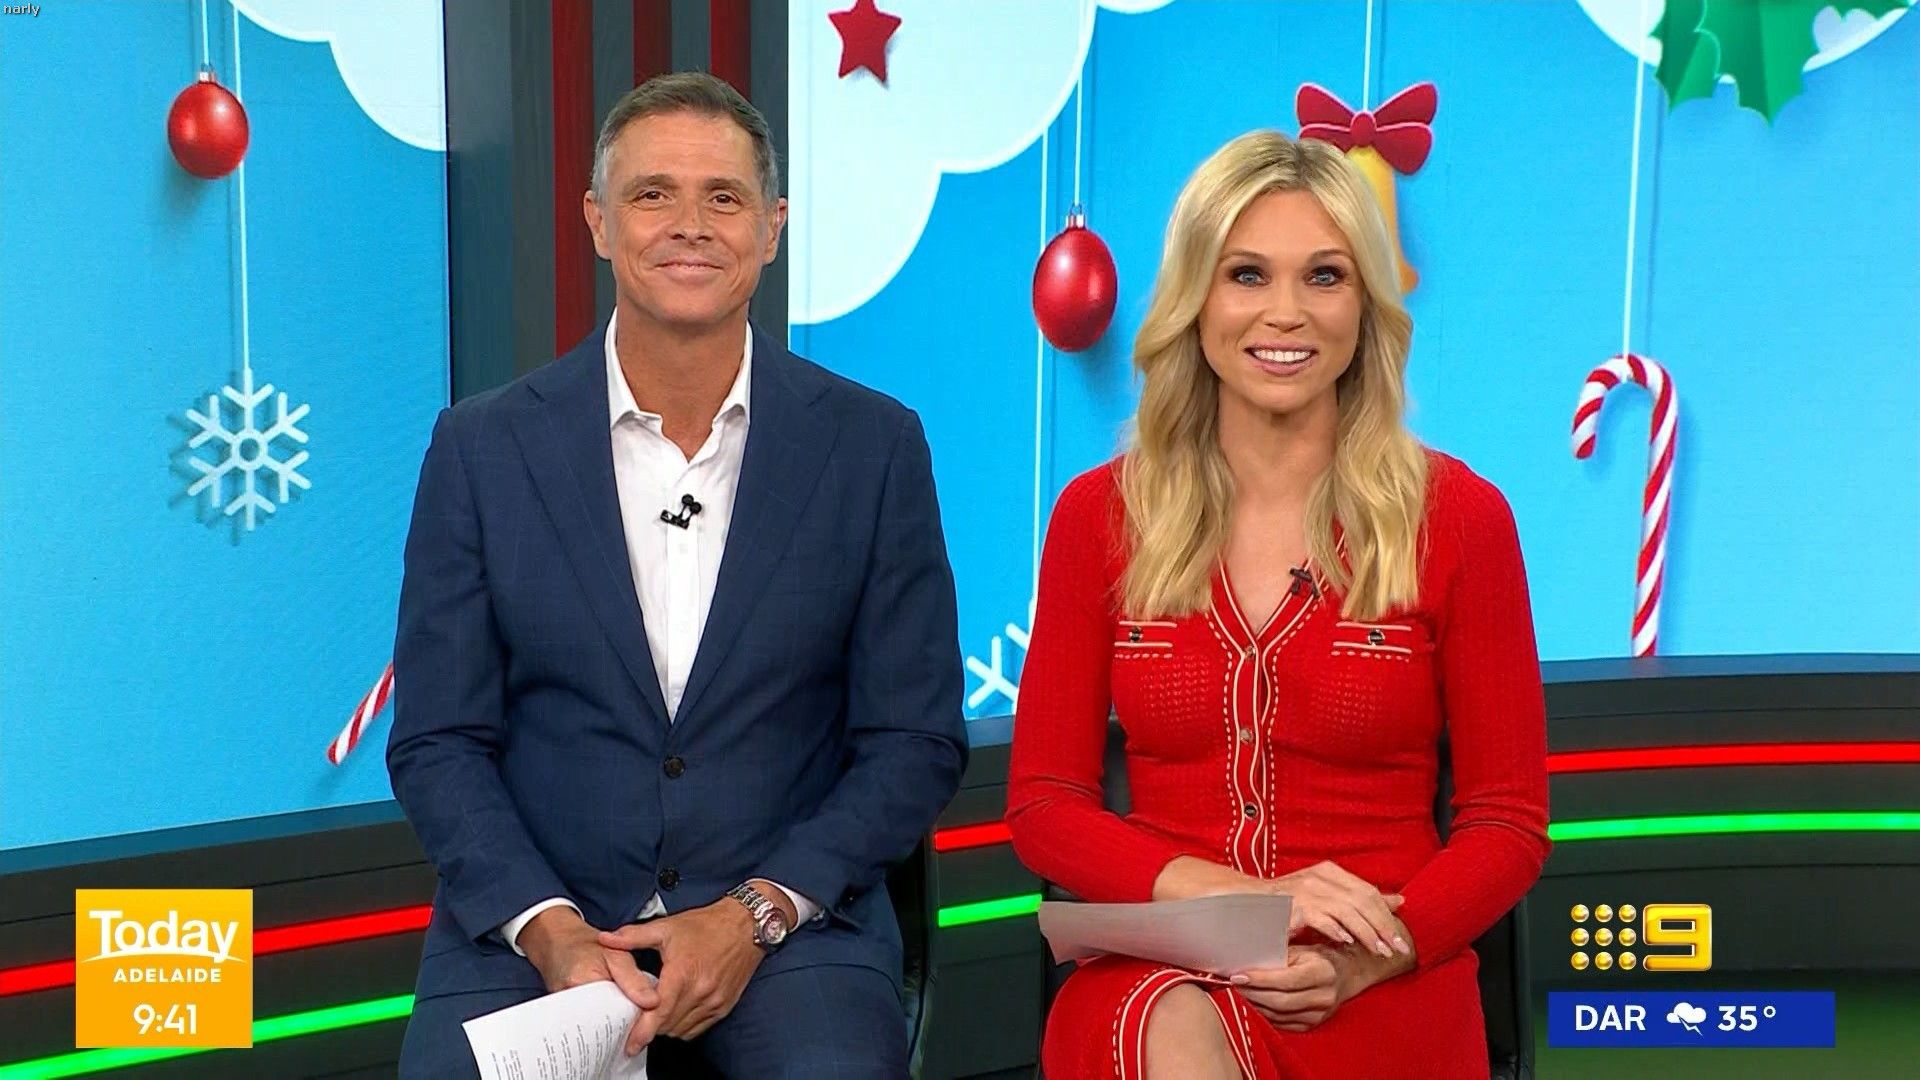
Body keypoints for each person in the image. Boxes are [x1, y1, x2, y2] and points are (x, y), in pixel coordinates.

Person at [388, 71, 966, 1078]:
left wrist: (756, 913)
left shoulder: (874, 446)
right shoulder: (481, 448)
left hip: (788, 935)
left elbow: (913, 740)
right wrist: (551, 930)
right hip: (536, 931)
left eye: (724, 197)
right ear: (599, 222)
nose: (689, 225)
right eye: (653, 194)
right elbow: (439, 739)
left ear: (772, 228)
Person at [1004, 130, 1551, 1080]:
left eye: (1324, 276)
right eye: (1247, 275)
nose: (1285, 312)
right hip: (1163, 971)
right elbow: (1046, 805)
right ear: (1196, 300)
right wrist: (1239, 900)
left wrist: (1371, 955)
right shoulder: (1098, 517)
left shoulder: (1461, 519)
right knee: (1160, 1026)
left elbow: (1507, 823)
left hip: (1382, 979)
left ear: (1366, 304)